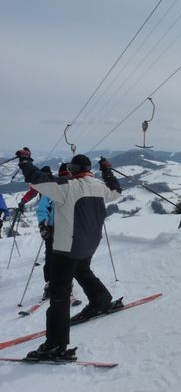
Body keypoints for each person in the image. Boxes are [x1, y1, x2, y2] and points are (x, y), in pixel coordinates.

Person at [15, 148, 122, 360]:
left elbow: (35, 178)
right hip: (89, 246)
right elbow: (116, 190)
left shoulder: (66, 187)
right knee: (82, 270)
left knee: (59, 294)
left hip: (66, 249)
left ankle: (55, 345)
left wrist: (25, 160)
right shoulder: (100, 187)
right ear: (90, 170)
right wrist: (107, 170)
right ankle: (100, 299)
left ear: (72, 169)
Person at [37, 164, 71, 301]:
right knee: (52, 257)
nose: (67, 178)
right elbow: (42, 209)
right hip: (53, 229)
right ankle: (51, 283)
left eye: (68, 176)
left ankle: (65, 282)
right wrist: (43, 225)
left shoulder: (74, 189)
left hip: (66, 229)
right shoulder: (51, 189)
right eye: (65, 176)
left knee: (65, 258)